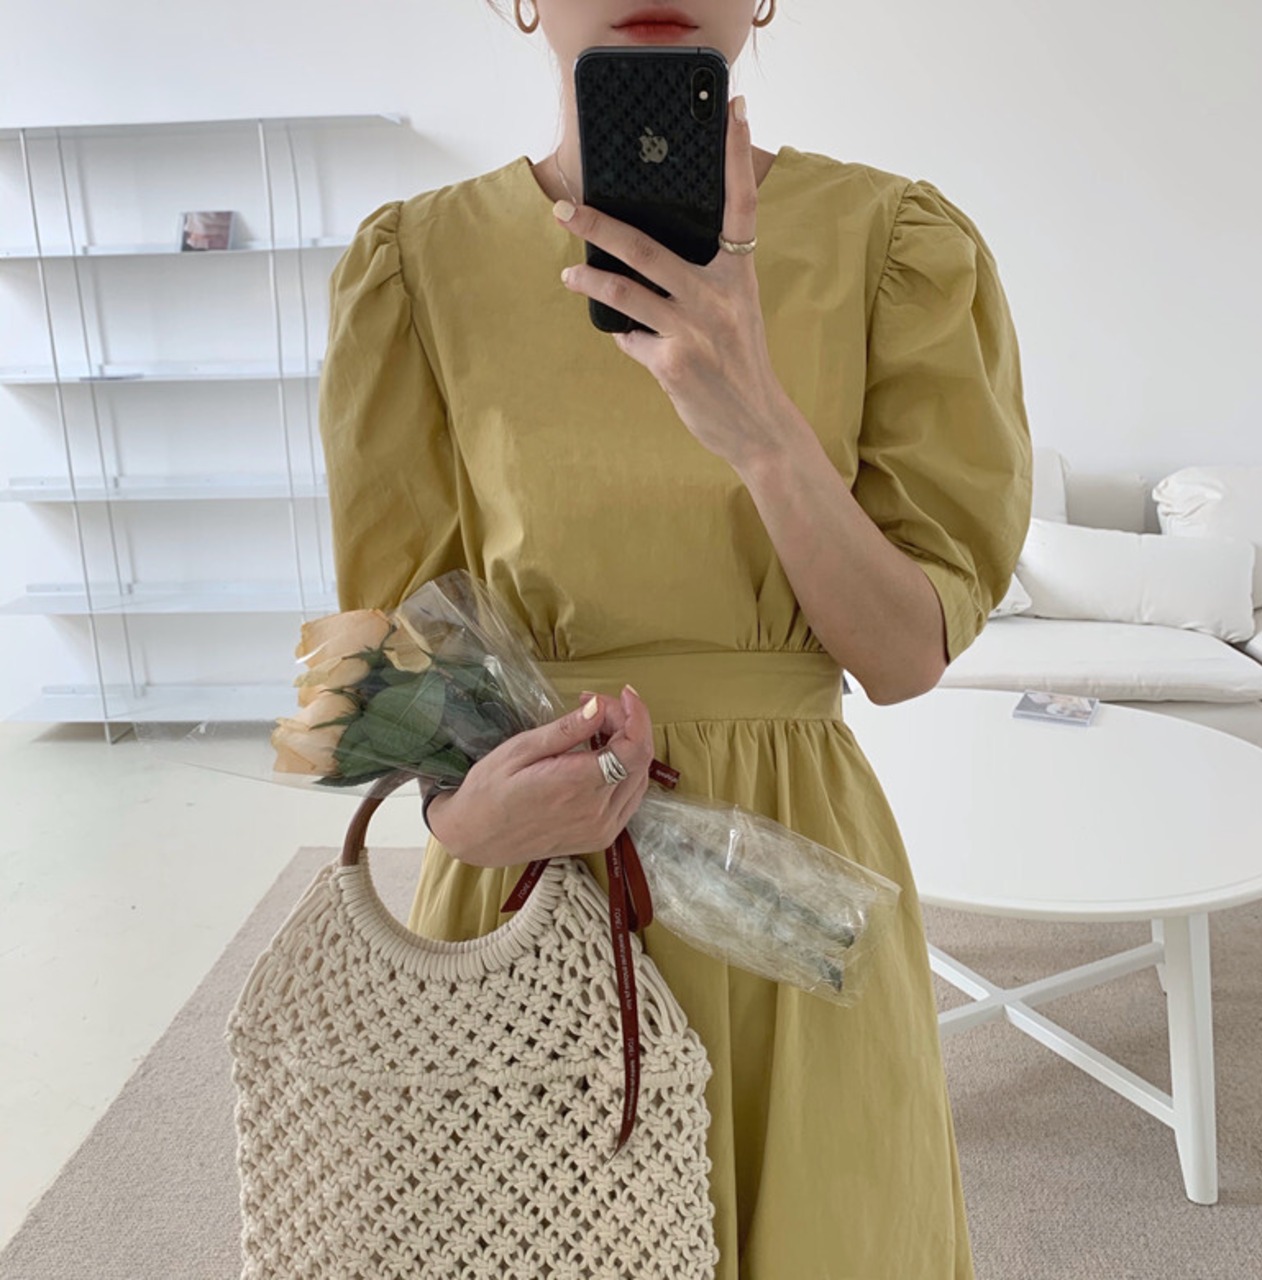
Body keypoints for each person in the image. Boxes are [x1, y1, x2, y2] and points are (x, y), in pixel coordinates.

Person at [317, 1, 1033, 1275]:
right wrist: (461, 820)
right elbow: (402, 651)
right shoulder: (414, 265)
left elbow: (902, 657)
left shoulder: (893, 245)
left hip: (786, 875)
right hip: (524, 877)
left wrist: (758, 423)